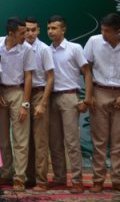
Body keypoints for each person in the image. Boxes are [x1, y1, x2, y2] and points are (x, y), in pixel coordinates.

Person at [84, 13, 120, 193]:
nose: (103, 34)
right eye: (102, 30)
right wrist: (90, 94)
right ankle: (98, 180)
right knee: (99, 140)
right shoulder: (94, 41)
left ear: (118, 31)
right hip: (99, 92)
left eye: (107, 31)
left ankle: (117, 179)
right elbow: (86, 69)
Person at [47, 15, 93, 194]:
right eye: (49, 28)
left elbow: (87, 74)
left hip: (69, 97)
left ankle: (77, 180)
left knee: (72, 142)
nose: (51, 31)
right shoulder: (46, 50)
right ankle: (59, 178)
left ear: (63, 29)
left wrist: (87, 99)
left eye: (55, 28)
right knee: (55, 142)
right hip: (51, 98)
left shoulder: (75, 48)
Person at [0, 17, 35, 191]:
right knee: (2, 138)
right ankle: (5, 173)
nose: (26, 35)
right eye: (22, 33)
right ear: (11, 33)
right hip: (0, 92)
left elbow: (29, 76)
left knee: (20, 138)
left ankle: (19, 177)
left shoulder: (27, 49)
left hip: (18, 92)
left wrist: (25, 103)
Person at [23, 17, 54, 192]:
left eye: (33, 30)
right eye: (27, 30)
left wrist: (43, 103)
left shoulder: (44, 49)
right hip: (24, 94)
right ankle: (30, 177)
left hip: (40, 93)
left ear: (39, 30)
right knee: (26, 140)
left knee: (40, 140)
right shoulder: (21, 48)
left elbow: (51, 77)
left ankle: (42, 180)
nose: (30, 33)